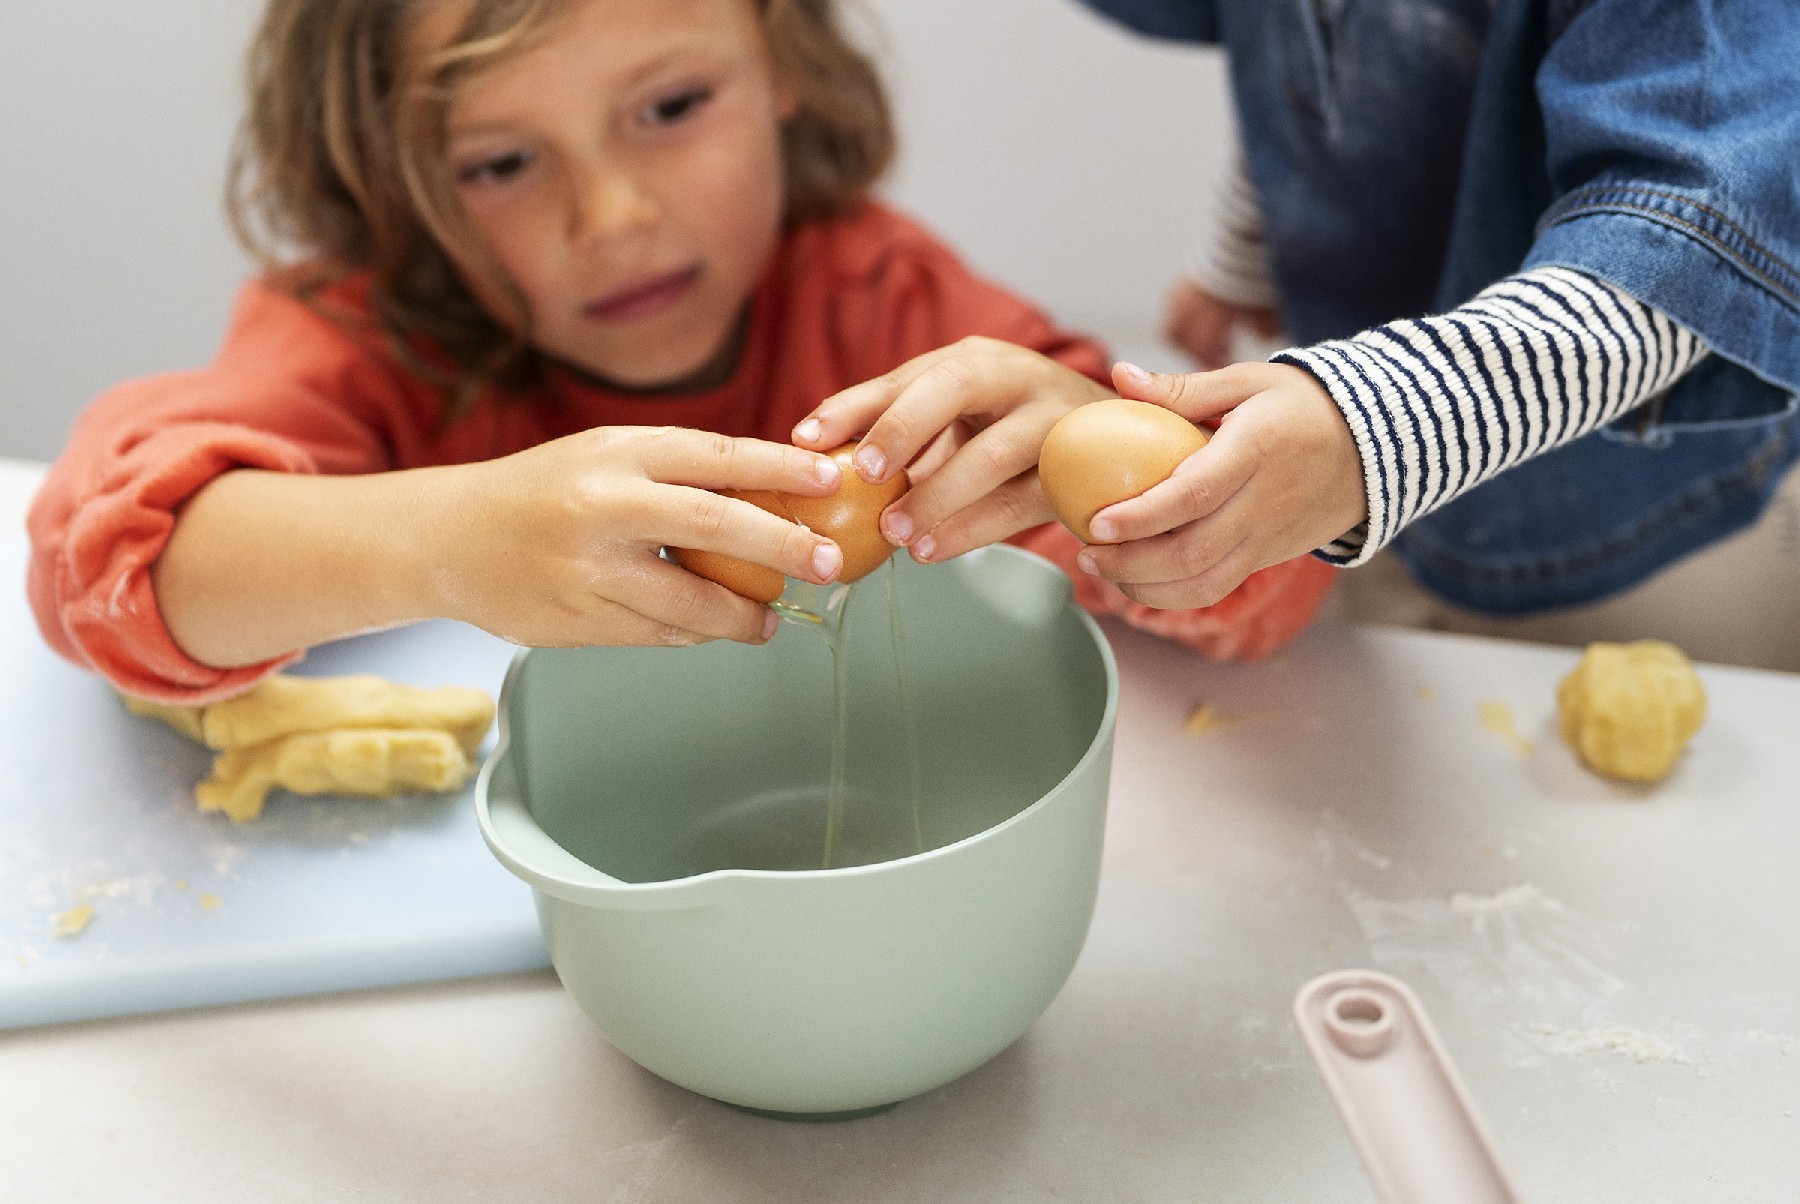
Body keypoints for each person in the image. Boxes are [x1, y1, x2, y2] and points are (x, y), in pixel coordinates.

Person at [27, 0, 1335, 706]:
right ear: (390, 181)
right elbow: (100, 569)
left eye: (669, 107)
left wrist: (1086, 455)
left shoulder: (883, 306)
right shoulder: (369, 339)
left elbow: (1277, 587)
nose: (612, 218)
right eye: (500, 164)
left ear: (777, 51)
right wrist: (448, 542)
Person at [803, 0, 1800, 619]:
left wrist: (1366, 429)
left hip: (1630, 510)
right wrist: (1239, 252)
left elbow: (1687, 241)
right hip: (1379, 476)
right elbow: (1318, 69)